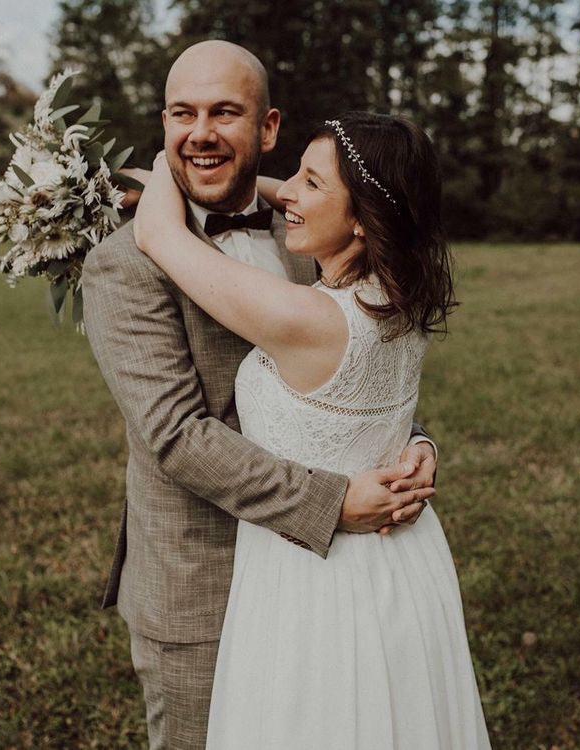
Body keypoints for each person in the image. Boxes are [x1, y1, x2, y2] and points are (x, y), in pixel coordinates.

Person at [81, 41, 438, 750]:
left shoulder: (310, 226)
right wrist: (332, 504)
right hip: (202, 583)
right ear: (164, 126)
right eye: (183, 114)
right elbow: (179, 436)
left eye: (225, 112)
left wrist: (414, 440)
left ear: (268, 130)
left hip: (321, 584)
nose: (201, 132)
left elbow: (350, 367)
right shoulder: (123, 264)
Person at [133, 110, 490, 746]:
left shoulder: (307, 318)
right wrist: (422, 443)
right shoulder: (393, 296)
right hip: (403, 564)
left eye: (311, 182)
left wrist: (171, 159)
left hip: (317, 578)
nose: (287, 191)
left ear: (362, 217)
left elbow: (159, 233)